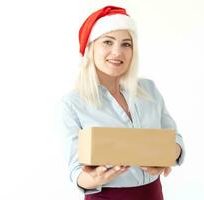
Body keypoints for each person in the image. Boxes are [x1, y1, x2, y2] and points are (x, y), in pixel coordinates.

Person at [56, 5, 185, 200]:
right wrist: (94, 178)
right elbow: (76, 172)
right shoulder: (72, 104)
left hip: (152, 194)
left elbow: (175, 139)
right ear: (91, 48)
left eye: (126, 44)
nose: (117, 52)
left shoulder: (149, 90)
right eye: (108, 42)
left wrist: (169, 154)